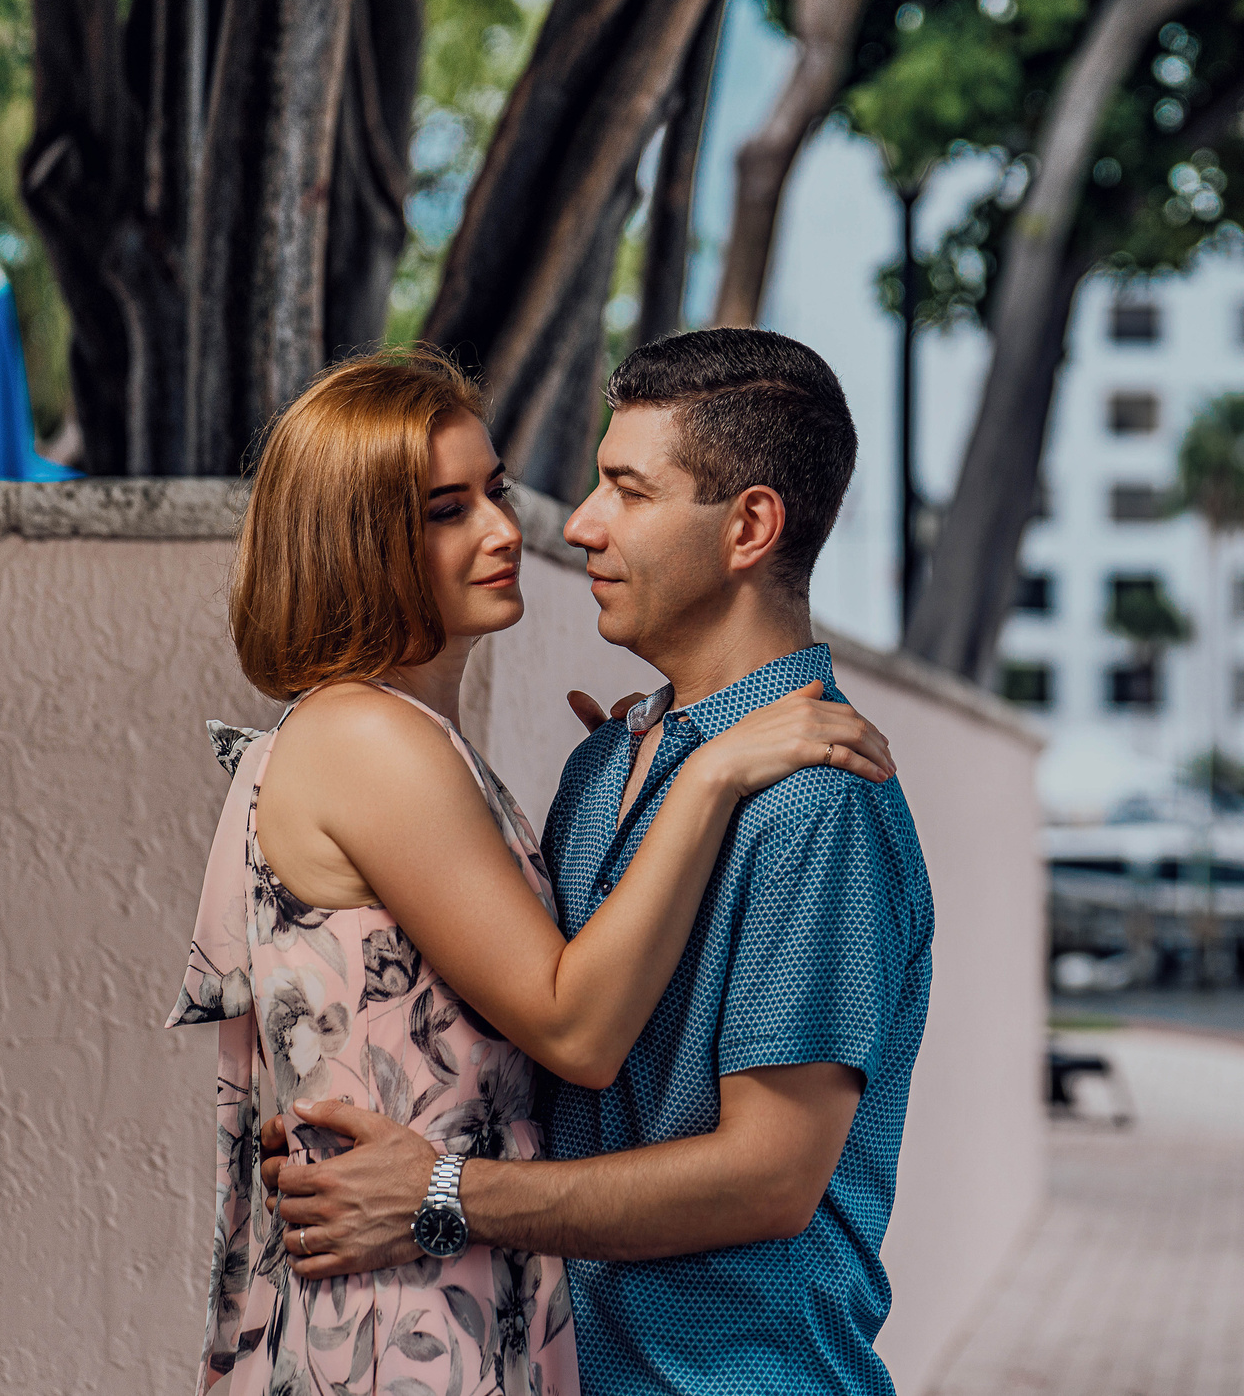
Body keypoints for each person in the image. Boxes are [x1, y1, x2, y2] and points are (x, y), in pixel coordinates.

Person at [168, 348, 896, 1396]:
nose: (538, 529)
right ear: (358, 540)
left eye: (497, 492)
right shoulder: (385, 742)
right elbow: (572, 1029)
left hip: (609, 1344)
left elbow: (758, 1168)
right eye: (446, 509)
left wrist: (434, 1181)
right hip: (415, 1327)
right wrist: (699, 775)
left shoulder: (796, 791)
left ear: (748, 529)